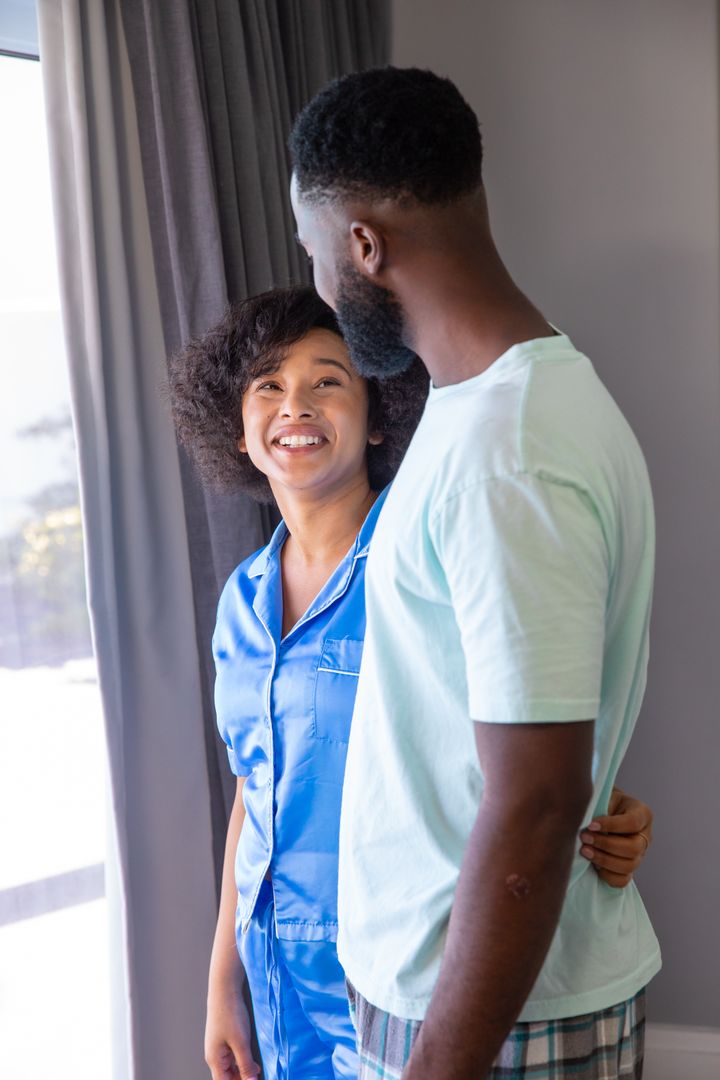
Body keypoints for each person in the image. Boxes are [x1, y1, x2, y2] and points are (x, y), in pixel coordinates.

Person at [169, 285, 654, 1080]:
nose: (296, 404)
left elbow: (518, 731)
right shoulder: (242, 602)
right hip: (275, 986)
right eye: (268, 385)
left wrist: (607, 806)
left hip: (398, 977)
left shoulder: (417, 557)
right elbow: (256, 793)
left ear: (380, 413)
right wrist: (223, 978)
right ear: (238, 426)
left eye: (327, 381)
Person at [288, 68, 661, 1079]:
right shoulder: (479, 415)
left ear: (362, 245)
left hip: (489, 1019)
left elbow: (538, 799)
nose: (322, 285)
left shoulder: (513, 448)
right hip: (449, 995)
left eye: (318, 255)